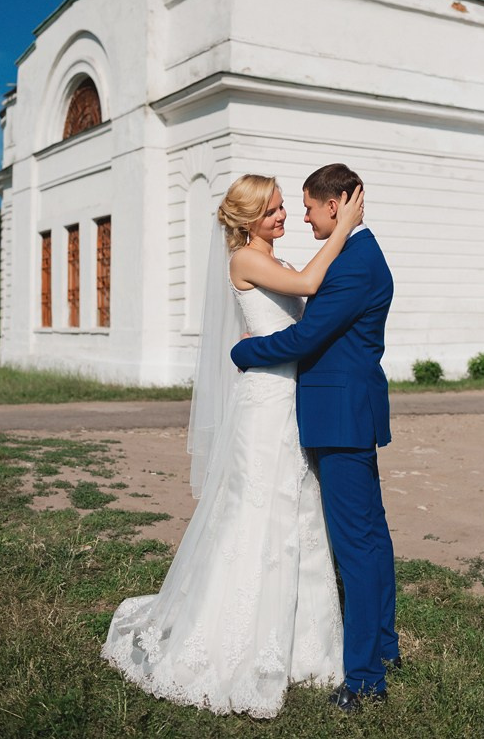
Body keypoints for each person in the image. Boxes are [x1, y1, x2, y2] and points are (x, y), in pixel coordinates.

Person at [101, 173, 363, 718]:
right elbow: (313, 287)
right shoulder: (246, 259)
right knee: (255, 513)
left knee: (298, 513)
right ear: (247, 220)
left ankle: (304, 646)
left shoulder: (280, 262)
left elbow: (302, 308)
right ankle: (233, 638)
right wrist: (347, 229)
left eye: (284, 208)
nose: (283, 217)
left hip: (291, 399)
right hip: (265, 404)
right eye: (272, 210)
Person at [231, 163, 400, 712]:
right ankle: (385, 647)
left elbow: (305, 335)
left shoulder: (353, 262)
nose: (301, 217)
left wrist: (244, 351)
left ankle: (366, 679)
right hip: (342, 412)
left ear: (336, 205)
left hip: (339, 416)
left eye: (306, 206)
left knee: (356, 544)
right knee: (370, 537)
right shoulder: (353, 254)